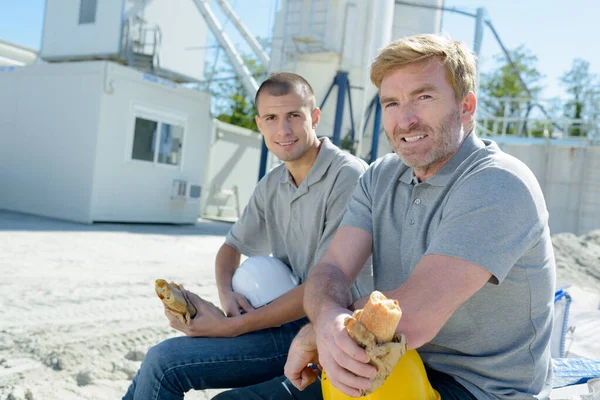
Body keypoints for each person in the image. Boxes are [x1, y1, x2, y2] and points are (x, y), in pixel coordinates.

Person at [284, 33, 555, 399]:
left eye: (423, 97)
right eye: (391, 103)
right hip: (392, 363)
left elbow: (411, 316)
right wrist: (328, 318)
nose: (405, 120)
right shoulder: (380, 176)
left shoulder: (499, 183)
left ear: (466, 106)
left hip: (479, 388)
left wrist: (316, 332)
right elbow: (330, 269)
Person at [123, 72, 372, 400]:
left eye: (294, 116)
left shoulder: (348, 176)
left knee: (165, 363)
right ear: (259, 123)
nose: (283, 130)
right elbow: (231, 248)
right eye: (271, 118)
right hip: (280, 321)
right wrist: (227, 299)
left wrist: (231, 327)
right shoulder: (273, 183)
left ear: (314, 117)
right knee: (157, 363)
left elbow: (324, 285)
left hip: (329, 327)